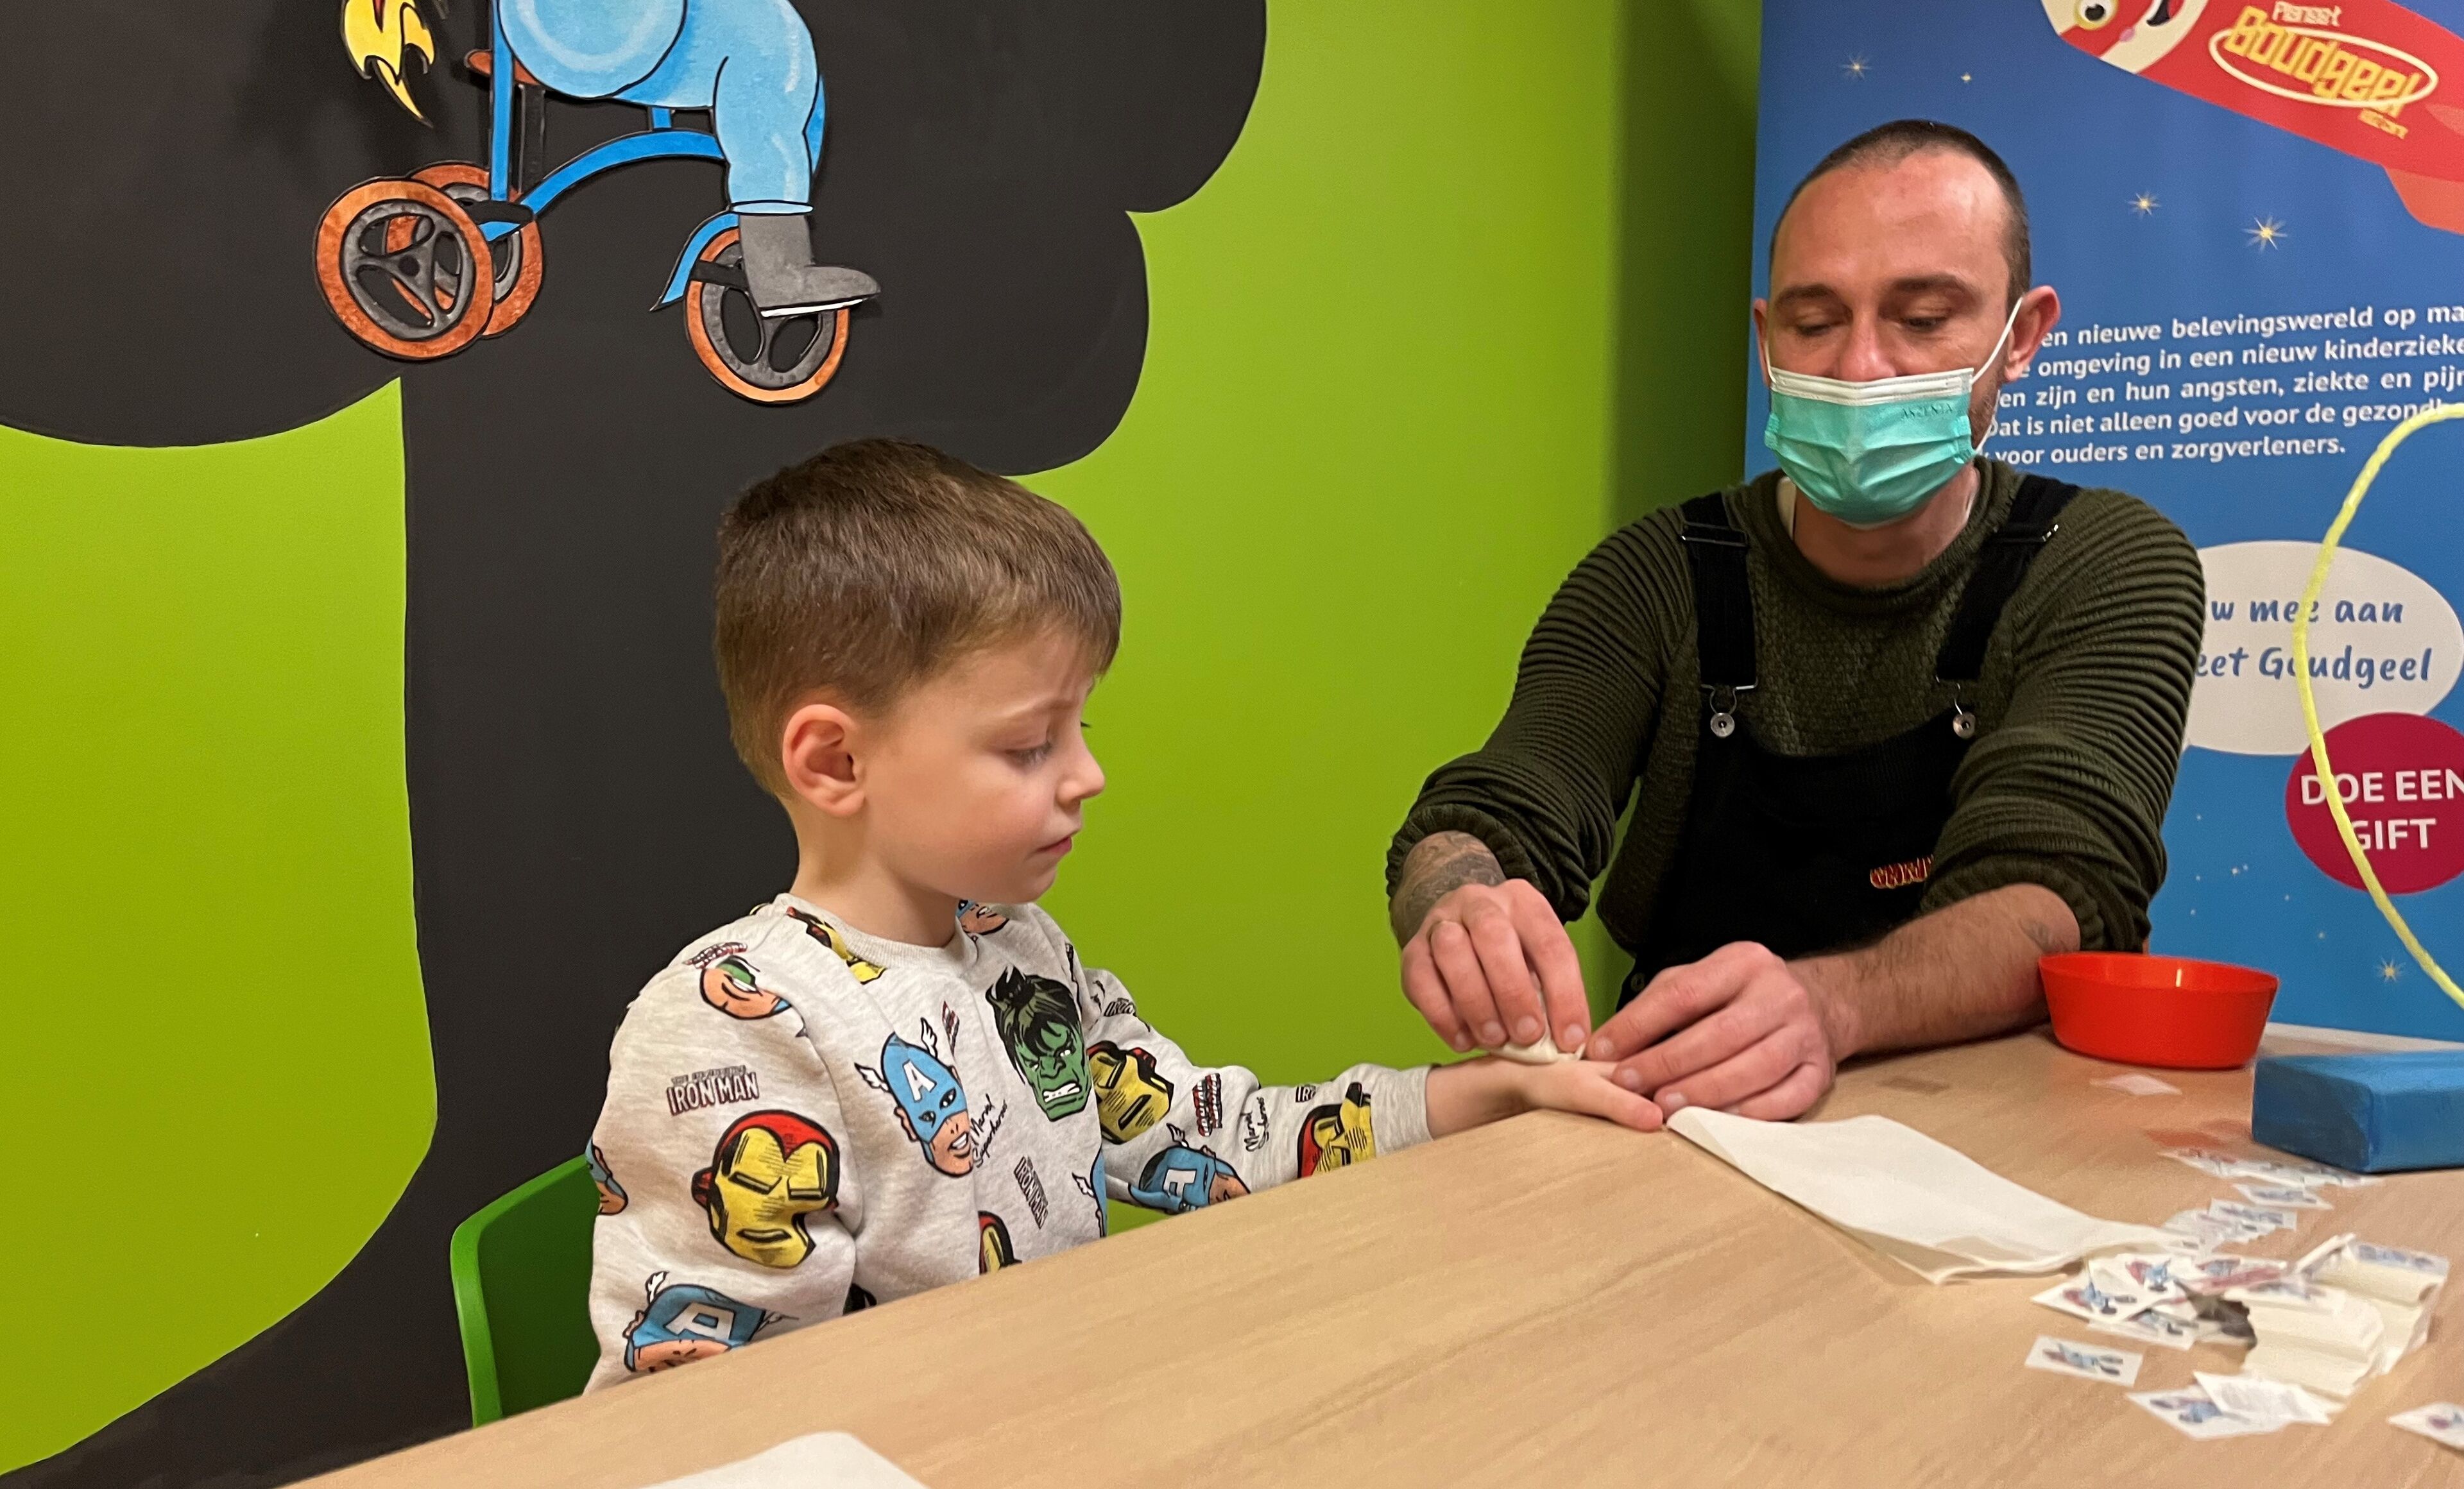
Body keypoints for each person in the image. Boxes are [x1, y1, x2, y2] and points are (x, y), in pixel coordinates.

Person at [583, 439, 1655, 1388]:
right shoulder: (737, 1022)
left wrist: (1489, 1090)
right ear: (837, 761)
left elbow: (1209, 1137)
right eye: (1030, 744)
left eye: (1080, 729)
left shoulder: (1020, 951)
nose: (1088, 774)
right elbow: (708, 1401)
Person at [1385, 120, 2205, 1124]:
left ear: (2022, 334)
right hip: (1690, 1112)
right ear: (1766, 340)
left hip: (1992, 1124)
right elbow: (1502, 803)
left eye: (1923, 318)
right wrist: (1456, 894)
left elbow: (2064, 892)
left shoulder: (2105, 560)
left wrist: (1833, 1003)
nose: (1861, 368)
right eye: (1816, 323)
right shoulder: (1656, 573)